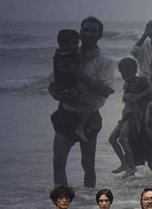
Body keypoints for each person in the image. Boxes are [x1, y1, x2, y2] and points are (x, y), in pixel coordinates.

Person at [48, 16, 114, 188]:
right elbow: (52, 85)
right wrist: (59, 95)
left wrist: (78, 73)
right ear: (80, 33)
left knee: (88, 165)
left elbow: (106, 90)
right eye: (85, 30)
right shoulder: (66, 56)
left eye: (93, 31)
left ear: (99, 35)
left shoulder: (104, 62)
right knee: (58, 161)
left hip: (89, 116)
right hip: (66, 112)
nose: (88, 34)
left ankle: (88, 199)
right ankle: (61, 199)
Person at [52, 29, 95, 143]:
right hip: (70, 88)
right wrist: (96, 51)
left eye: (77, 43)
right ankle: (80, 127)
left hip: (61, 88)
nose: (77, 46)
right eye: (74, 43)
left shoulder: (58, 56)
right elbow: (87, 57)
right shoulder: (73, 56)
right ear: (63, 44)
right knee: (91, 104)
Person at [108, 57, 149, 177]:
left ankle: (131, 166)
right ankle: (124, 163)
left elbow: (151, 89)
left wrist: (137, 97)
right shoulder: (126, 84)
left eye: (128, 73)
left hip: (135, 116)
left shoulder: (141, 82)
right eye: (123, 73)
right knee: (112, 139)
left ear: (135, 71)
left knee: (122, 138)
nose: (125, 76)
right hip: (126, 114)